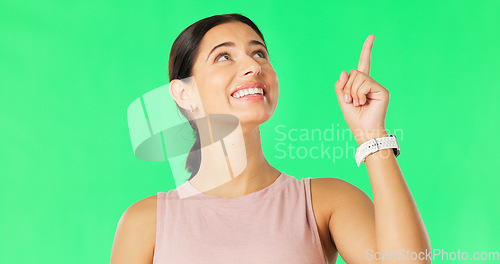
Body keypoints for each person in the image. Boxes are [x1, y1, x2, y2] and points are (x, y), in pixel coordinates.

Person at [110, 13, 430, 264]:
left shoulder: (327, 202)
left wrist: (371, 134)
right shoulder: (145, 222)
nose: (253, 65)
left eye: (259, 53)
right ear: (184, 93)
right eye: (224, 57)